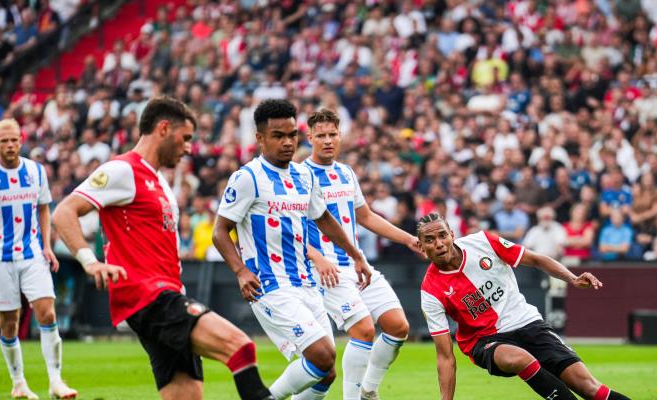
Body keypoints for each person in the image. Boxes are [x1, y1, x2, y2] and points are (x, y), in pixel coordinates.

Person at [52, 97, 273, 400]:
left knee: (187, 396)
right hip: (148, 296)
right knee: (240, 347)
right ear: (164, 128)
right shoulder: (122, 170)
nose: (188, 148)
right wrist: (90, 262)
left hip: (167, 294)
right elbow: (64, 211)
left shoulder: (159, 182)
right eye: (185, 139)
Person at [212, 99, 373, 400]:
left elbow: (324, 218)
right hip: (270, 284)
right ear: (260, 138)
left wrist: (355, 255)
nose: (287, 142)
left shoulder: (304, 175)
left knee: (327, 372)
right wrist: (240, 271)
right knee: (322, 355)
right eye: (278, 136)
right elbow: (220, 231)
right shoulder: (248, 178)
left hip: (307, 283)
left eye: (291, 134)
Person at [417, 213, 630, 400]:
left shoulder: (483, 242)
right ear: (421, 247)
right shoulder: (430, 291)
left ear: (452, 234)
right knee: (520, 358)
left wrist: (572, 279)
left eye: (442, 235)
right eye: (429, 240)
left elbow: (535, 259)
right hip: (484, 341)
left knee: (589, 388)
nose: (438, 243)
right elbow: (445, 356)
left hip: (528, 323)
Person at [301, 108, 421, 400]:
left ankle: (368, 390)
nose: (328, 140)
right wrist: (317, 257)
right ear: (310, 138)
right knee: (364, 330)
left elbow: (365, 215)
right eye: (321, 136)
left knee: (398, 327)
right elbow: (286, 229)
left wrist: (408, 239)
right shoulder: (300, 176)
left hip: (357, 264)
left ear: (340, 136)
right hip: (325, 270)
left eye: (333, 134)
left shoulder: (345, 172)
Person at [0, 118, 77, 399]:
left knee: (47, 312)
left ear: (21, 140)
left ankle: (56, 381)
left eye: (14, 140)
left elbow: (45, 209)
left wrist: (47, 246)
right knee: (9, 323)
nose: (10, 145)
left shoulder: (36, 171)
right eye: (4, 141)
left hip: (32, 255)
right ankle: (19, 383)